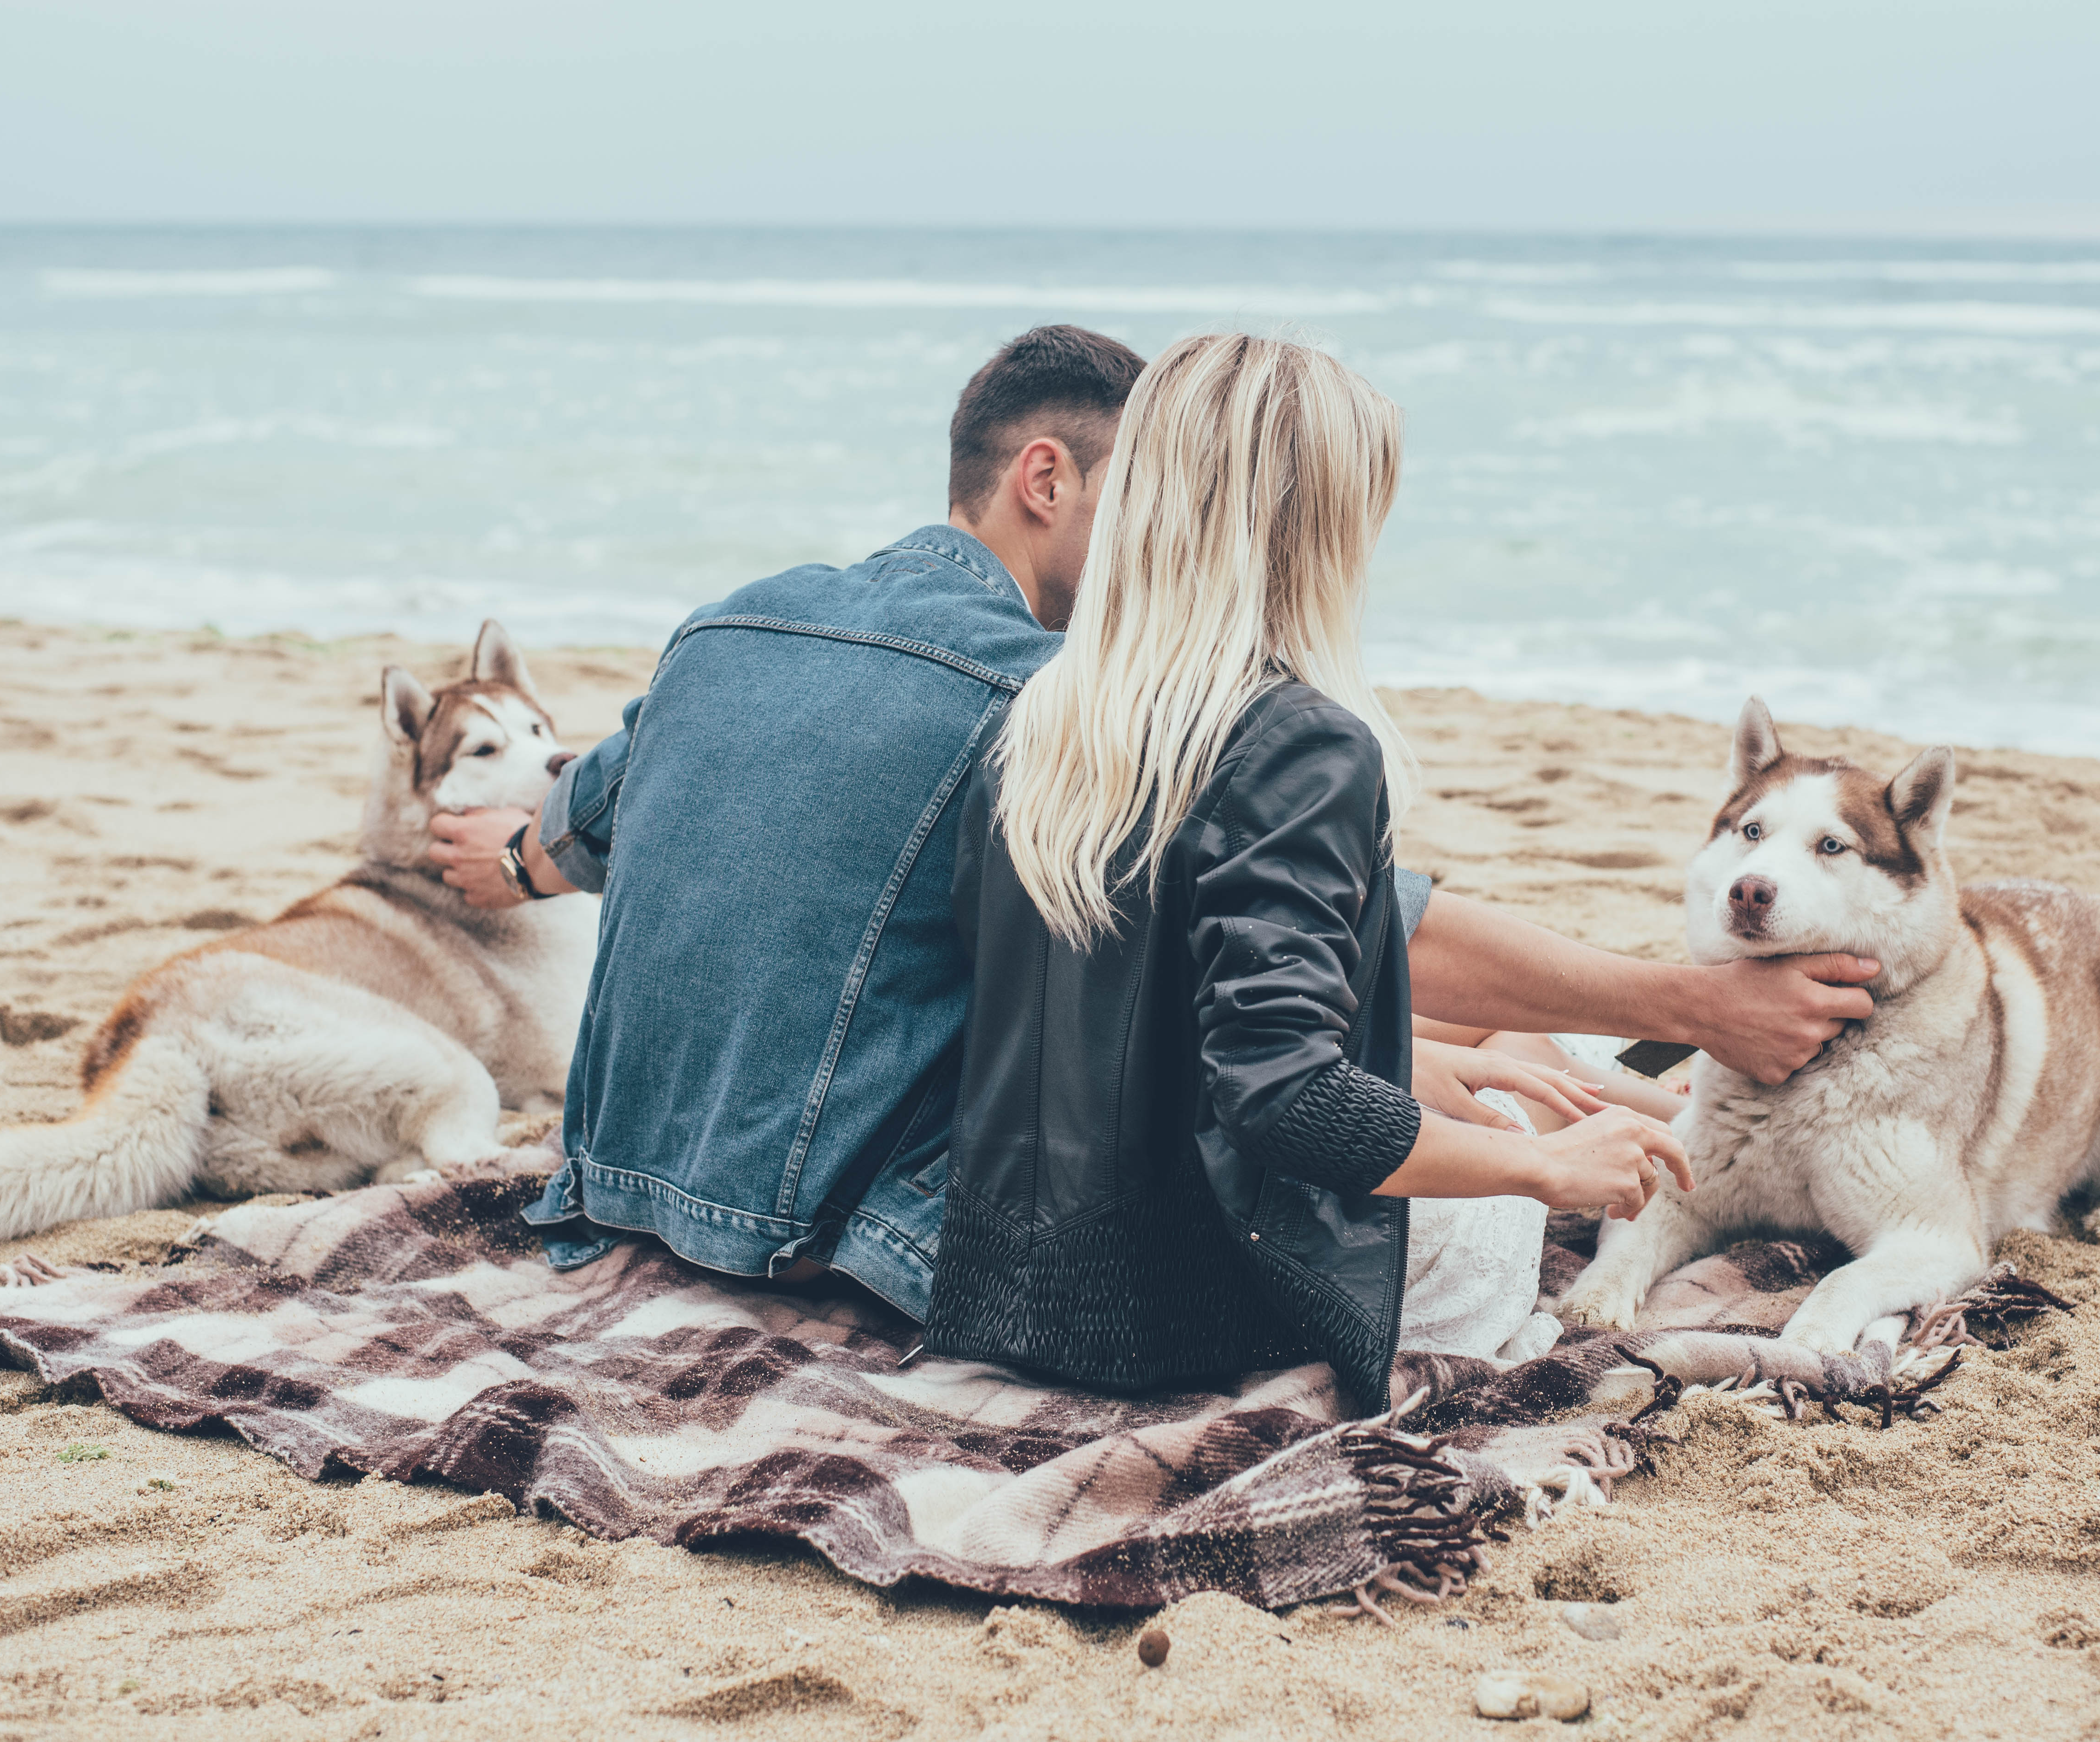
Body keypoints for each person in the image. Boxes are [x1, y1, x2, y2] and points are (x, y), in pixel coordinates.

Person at [427, 325, 1875, 1326]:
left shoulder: (730, 620)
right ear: (1045, 480)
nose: (1164, 531)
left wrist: (497, 857)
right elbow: (1367, 934)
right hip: (847, 1224)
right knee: (1489, 1138)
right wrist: (1669, 1003)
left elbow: (579, 834)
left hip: (613, 1187)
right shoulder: (1056, 700)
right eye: (1145, 493)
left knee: (1475, 1063)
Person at [930, 335, 1694, 1412]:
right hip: (1215, 1308)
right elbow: (1282, 1101)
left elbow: (1118, 1018)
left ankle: (1611, 1082)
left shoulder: (1041, 715)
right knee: (1527, 1116)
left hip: (1022, 1290)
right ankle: (1636, 1095)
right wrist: (1544, 1175)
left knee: (1490, 1057)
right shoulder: (1301, 745)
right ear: (1322, 526)